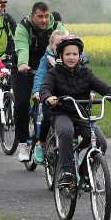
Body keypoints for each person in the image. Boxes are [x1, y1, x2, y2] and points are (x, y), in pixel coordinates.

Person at [39, 36, 111, 188]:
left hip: (82, 113)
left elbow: (102, 86)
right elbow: (45, 87)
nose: (71, 57)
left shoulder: (86, 73)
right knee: (66, 131)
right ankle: (67, 172)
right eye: (67, 54)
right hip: (62, 113)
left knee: (100, 143)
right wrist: (49, 97)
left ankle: (85, 174)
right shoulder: (54, 73)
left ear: (79, 56)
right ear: (60, 56)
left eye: (75, 54)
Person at [13, 2, 66, 162]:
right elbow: (22, 47)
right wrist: (22, 64)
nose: (44, 20)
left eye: (46, 16)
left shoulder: (57, 26)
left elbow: (68, 43)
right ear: (32, 16)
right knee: (22, 103)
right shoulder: (23, 27)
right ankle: (23, 143)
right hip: (25, 68)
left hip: (49, 68)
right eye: (40, 16)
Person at [30, 29, 69, 164]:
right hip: (49, 95)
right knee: (47, 117)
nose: (60, 47)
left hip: (66, 96)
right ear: (51, 45)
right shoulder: (46, 59)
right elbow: (40, 75)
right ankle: (41, 144)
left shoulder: (70, 57)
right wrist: (37, 92)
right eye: (57, 44)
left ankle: (73, 154)